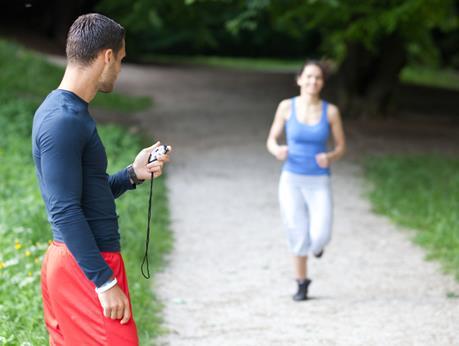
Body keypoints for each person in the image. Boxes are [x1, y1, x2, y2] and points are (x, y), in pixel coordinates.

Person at [32, 13, 171, 345]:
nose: (120, 70)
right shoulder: (63, 120)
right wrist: (104, 282)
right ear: (107, 56)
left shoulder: (69, 112)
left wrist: (132, 175)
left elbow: (82, 196)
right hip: (85, 263)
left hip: (80, 260)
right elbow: (64, 209)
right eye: (121, 60)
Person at [266, 61, 346, 301]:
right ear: (299, 79)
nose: (313, 82)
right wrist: (277, 150)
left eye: (318, 78)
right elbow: (271, 139)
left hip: (319, 180)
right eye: (309, 77)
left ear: (323, 82)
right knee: (296, 231)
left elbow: (341, 146)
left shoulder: (330, 111)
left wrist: (330, 156)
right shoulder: (286, 107)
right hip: (291, 179)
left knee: (320, 235)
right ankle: (301, 282)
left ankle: (318, 247)